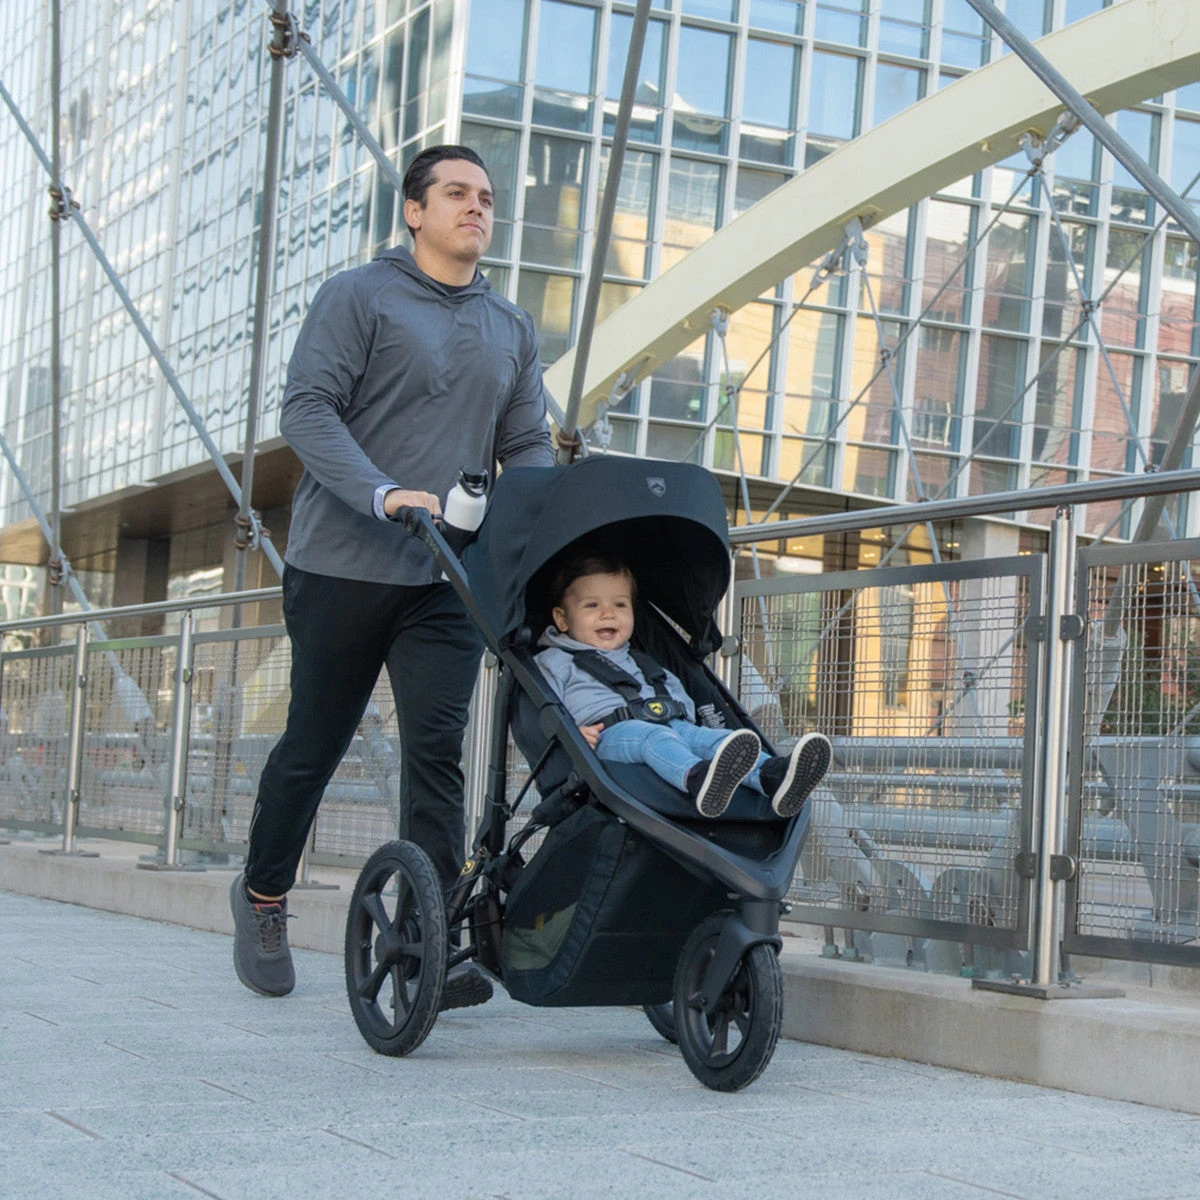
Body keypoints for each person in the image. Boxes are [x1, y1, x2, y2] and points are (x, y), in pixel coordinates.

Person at [230, 145, 553, 1003]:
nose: (477, 208)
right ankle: (263, 894)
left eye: (487, 198)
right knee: (317, 741)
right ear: (414, 211)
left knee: (437, 756)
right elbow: (307, 410)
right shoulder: (358, 296)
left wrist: (534, 525)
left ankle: (423, 946)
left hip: (445, 577)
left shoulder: (511, 327)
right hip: (342, 564)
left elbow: (526, 444)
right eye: (457, 193)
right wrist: (382, 493)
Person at [535, 553, 831, 819]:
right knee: (653, 737)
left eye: (620, 604)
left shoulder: (641, 660)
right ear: (562, 619)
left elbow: (674, 689)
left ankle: (772, 776)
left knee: (715, 738)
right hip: (607, 736)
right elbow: (540, 707)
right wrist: (570, 734)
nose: (608, 613)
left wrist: (686, 722)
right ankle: (696, 778)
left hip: (668, 723)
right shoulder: (555, 661)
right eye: (592, 605)